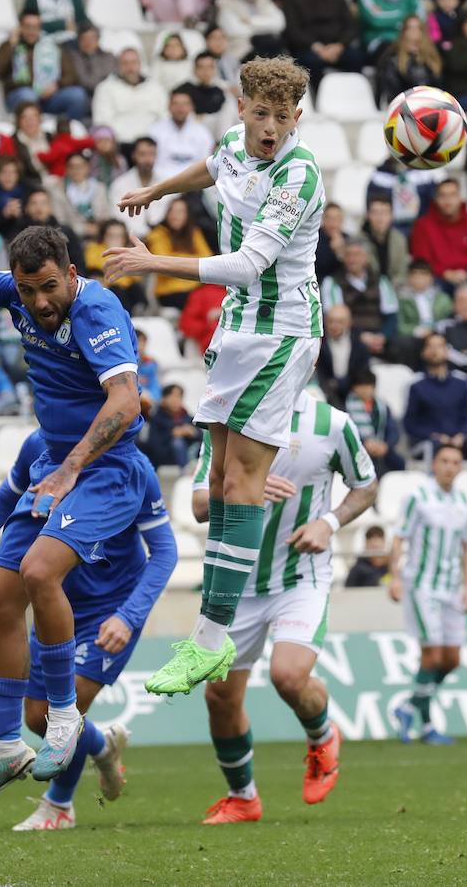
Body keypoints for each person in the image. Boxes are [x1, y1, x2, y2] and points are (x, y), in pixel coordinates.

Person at [101, 58, 328, 693]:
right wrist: (159, 190)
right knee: (221, 485)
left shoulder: (298, 174)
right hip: (236, 331)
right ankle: (212, 635)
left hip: (281, 332)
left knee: (241, 480)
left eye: (283, 118)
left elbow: (251, 265)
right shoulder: (233, 143)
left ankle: (210, 636)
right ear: (241, 105)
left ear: (297, 117)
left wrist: (152, 264)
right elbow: (215, 166)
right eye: (261, 114)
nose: (269, 129)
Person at [0, 226, 150, 800]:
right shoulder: (13, 291)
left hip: (106, 469)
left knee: (39, 572)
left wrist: (71, 467)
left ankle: (64, 721)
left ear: (70, 272)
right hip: (54, 467)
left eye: (48, 287)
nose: (39, 301)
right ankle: (6, 745)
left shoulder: (96, 309)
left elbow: (126, 400)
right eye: (27, 290)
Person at [0, 427, 172, 829]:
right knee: (37, 718)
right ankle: (103, 746)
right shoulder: (40, 443)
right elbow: (3, 499)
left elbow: (165, 551)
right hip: (57, 603)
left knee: (60, 712)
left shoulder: (131, 467)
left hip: (110, 609)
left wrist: (129, 615)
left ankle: (59, 806)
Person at [186, 389, 377, 822]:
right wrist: (236, 487)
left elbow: (366, 487)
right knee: (219, 698)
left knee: (289, 676)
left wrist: (328, 524)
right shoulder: (227, 420)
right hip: (238, 583)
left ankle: (323, 736)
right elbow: (198, 505)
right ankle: (243, 797)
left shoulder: (333, 424)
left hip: (300, 576)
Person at [390, 444, 467, 745]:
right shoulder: (418, 498)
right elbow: (399, 538)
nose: (450, 466)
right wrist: (395, 577)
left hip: (452, 588)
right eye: (444, 461)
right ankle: (426, 726)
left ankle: (408, 707)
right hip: (422, 585)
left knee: (452, 659)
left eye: (455, 462)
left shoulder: (465, 502)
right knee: (433, 654)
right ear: (434, 464)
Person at [404, 333, 467, 476]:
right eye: (430, 346)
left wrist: (462, 435)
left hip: (458, 442)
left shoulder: (462, 381)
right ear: (423, 352)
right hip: (429, 443)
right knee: (434, 447)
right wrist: (435, 436)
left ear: (447, 350)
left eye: (439, 346)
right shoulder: (415, 383)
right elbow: (410, 423)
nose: (435, 350)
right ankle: (433, 493)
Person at [0, 12, 89, 121]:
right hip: (21, 96)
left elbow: (72, 75)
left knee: (78, 96)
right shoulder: (10, 45)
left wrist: (56, 85)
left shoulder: (52, 46)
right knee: (28, 95)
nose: (31, 31)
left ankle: (68, 132)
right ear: (20, 28)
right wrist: (11, 44)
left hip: (51, 97)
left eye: (35, 27)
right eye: (28, 27)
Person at [409, 179, 467, 287]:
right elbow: (422, 261)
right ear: (436, 199)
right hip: (436, 279)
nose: (448, 201)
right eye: (442, 195)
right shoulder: (422, 226)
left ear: (460, 198)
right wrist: (445, 273)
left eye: (453, 195)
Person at [285, 0, 362, 87]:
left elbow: (350, 26)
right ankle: (317, 98)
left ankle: (353, 93)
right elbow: (293, 30)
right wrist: (317, 47)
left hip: (337, 46)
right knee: (310, 63)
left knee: (356, 58)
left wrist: (339, 45)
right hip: (309, 47)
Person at [144, 198, 209, 310]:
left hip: (196, 289)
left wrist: (176, 258)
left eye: (180, 212)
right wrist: (193, 262)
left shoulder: (193, 232)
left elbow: (207, 260)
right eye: (172, 211)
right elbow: (162, 264)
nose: (175, 215)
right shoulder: (157, 235)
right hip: (170, 292)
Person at [91, 49, 167, 145]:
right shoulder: (105, 88)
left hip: (153, 144)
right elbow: (102, 122)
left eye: (134, 62)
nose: (130, 67)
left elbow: (165, 117)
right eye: (125, 63)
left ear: (140, 64)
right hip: (120, 143)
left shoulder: (156, 88)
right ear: (118, 66)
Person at [345, 366, 404, 476]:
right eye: (361, 386)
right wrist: (364, 443)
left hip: (382, 448)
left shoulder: (382, 406)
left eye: (368, 385)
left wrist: (386, 445)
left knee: (399, 463)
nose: (365, 390)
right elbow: (346, 431)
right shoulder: (346, 407)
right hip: (358, 451)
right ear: (354, 387)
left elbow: (393, 430)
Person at [108, 137, 170, 240]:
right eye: (143, 154)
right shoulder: (119, 184)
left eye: (151, 154)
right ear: (134, 156)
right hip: (129, 240)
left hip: (161, 239)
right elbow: (119, 218)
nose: (147, 160)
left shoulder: (165, 183)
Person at [377, 15, 443, 105]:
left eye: (418, 28)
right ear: (404, 32)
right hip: (403, 106)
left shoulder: (431, 58)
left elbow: (439, 87)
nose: (414, 32)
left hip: (431, 105)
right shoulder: (392, 58)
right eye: (410, 28)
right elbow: (392, 91)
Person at [317, 303, 370, 408]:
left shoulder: (359, 347)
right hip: (326, 396)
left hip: (353, 396)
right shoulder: (318, 345)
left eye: (339, 322)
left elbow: (363, 375)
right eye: (330, 321)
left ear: (349, 323)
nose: (334, 326)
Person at [145, 383, 201, 467]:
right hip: (166, 458)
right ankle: (184, 472)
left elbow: (202, 436)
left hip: (189, 455)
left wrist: (193, 432)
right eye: (172, 396)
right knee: (177, 443)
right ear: (164, 398)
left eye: (178, 396)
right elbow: (153, 445)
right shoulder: (156, 419)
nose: (175, 400)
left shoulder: (187, 417)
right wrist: (172, 434)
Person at [66, 25, 116, 98]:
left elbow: (115, 77)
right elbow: (86, 82)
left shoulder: (109, 57)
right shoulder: (74, 58)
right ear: (79, 41)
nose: (88, 42)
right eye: (84, 39)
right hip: (89, 97)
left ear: (98, 40)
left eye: (91, 38)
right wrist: (92, 56)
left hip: (111, 94)